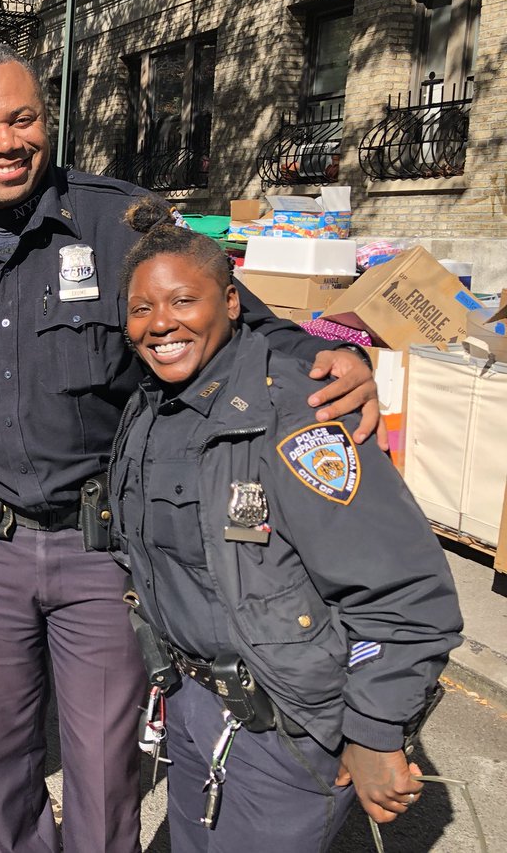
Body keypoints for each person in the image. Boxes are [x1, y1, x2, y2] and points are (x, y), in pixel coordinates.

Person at [0, 42, 383, 853]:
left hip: (101, 551)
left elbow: (227, 312)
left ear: (48, 119)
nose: (6, 141)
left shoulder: (119, 221)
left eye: (23, 117)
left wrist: (324, 357)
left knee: (103, 759)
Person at [108, 197, 462, 851]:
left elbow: (404, 594)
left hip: (279, 733)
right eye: (142, 308)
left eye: (183, 300)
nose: (161, 323)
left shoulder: (299, 414)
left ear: (233, 302)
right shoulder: (151, 406)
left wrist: (374, 731)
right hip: (189, 706)